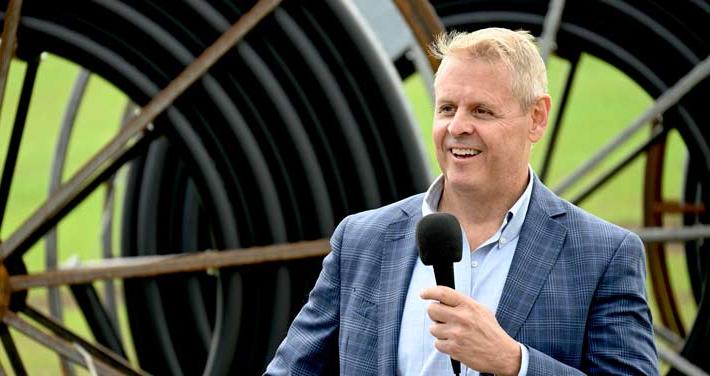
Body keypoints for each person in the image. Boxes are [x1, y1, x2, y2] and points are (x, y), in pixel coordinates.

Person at [265, 27, 658, 375]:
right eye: (447, 108)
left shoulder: (604, 255)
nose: (457, 127)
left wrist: (514, 363)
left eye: (482, 111)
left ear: (536, 117)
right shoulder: (361, 241)